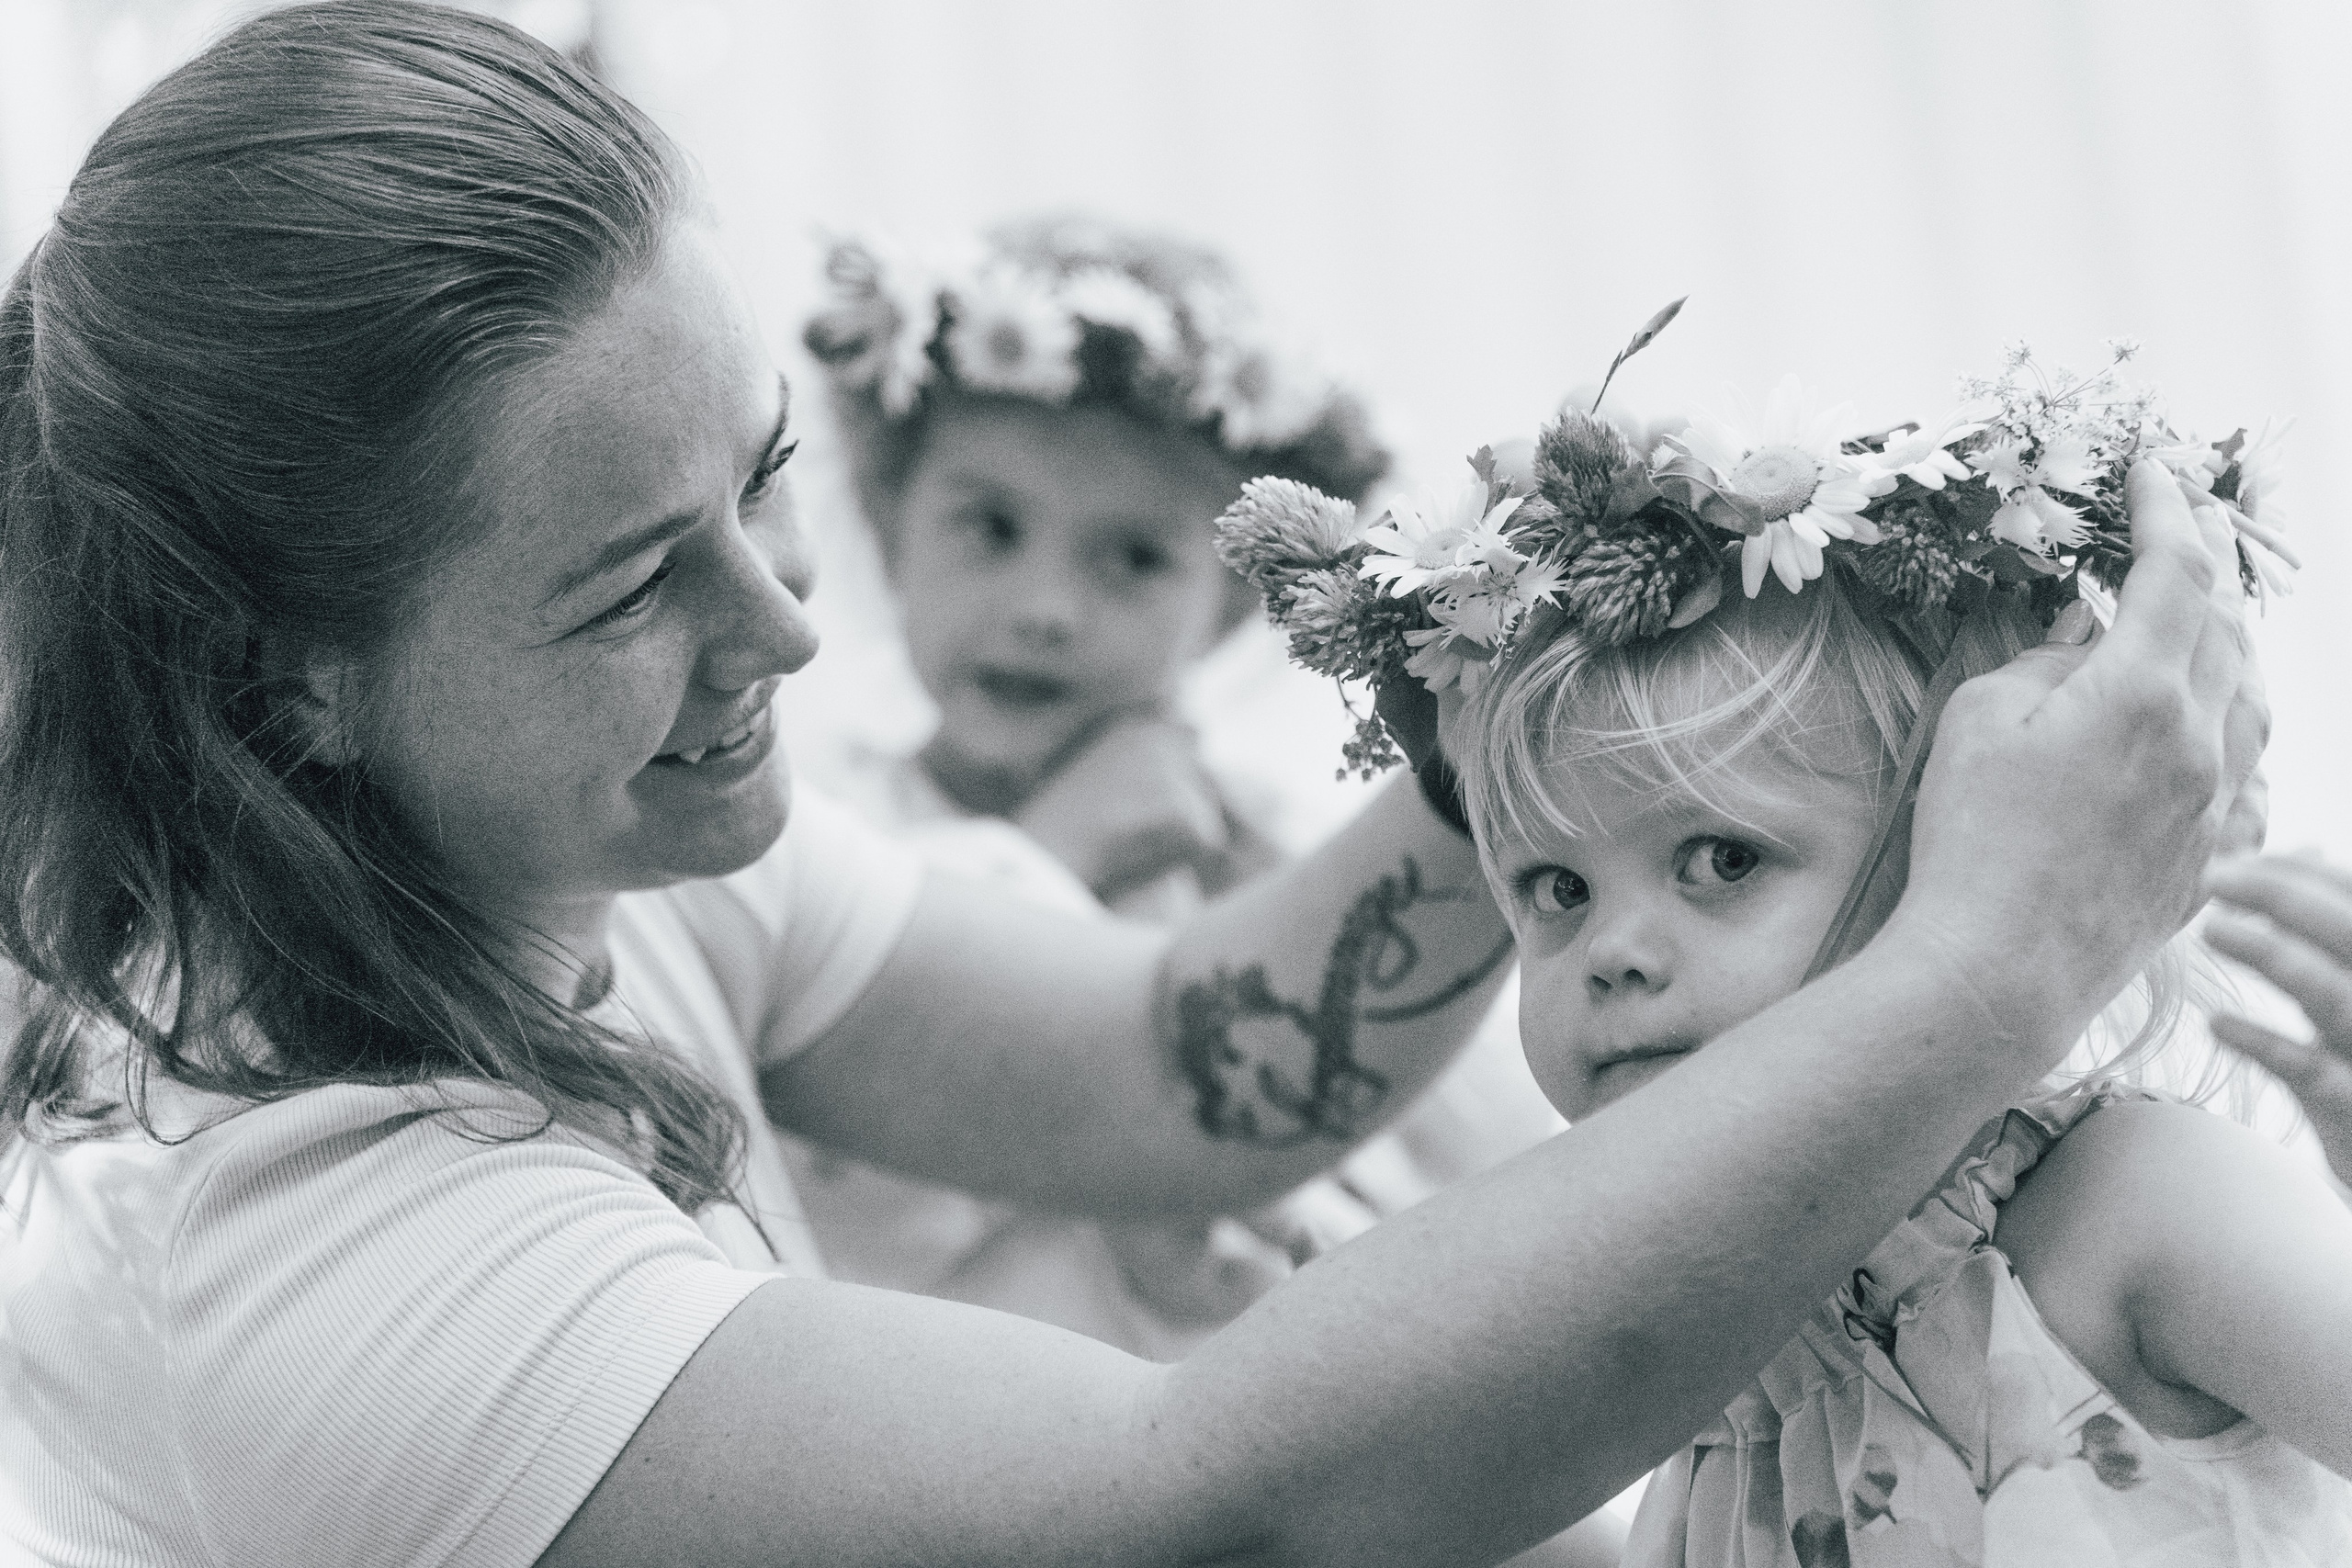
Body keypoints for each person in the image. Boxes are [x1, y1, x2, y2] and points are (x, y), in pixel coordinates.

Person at [0, 6, 2266, 1565]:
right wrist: (1985, 951)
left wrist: (1564, 680)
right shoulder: (283, 1237)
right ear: (285, 679)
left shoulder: (576, 844)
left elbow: (1179, 1063)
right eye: (626, 588)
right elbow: (1219, 1499)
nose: (786, 625)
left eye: (762, 478)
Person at [1423, 389, 2347, 1561]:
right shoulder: (1702, 1344)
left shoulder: (2132, 1202)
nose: (1611, 953)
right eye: (1558, 889)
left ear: (1957, 859)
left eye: (1721, 860)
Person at [788, 215, 1556, 1358]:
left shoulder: (1282, 841)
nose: (1045, 608)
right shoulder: (816, 827)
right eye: (988, 528)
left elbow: (1510, 1149)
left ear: (1236, 600)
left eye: (1133, 559)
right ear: (887, 524)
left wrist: (1323, 920)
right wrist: (1046, 856)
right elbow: (821, 1172)